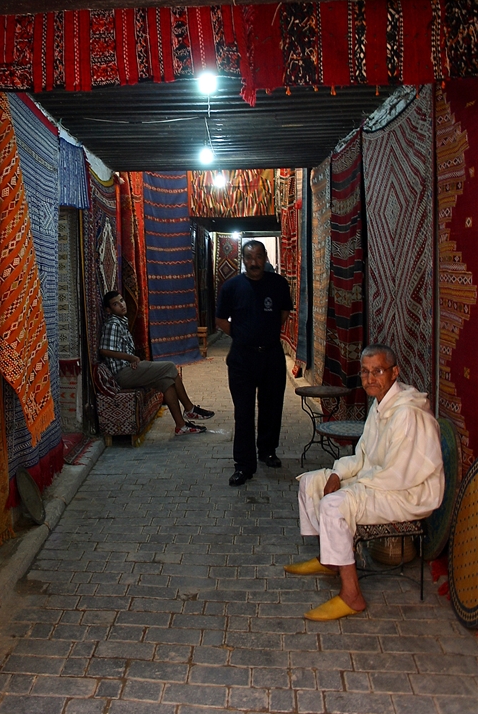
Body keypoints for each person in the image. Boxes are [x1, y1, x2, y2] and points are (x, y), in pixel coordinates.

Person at [285, 344, 444, 621]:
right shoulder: (380, 404)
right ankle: (330, 560)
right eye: (366, 372)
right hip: (381, 483)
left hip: (407, 493)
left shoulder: (406, 413)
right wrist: (337, 473)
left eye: (378, 371)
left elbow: (399, 474)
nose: (370, 378)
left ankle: (352, 596)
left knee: (335, 505)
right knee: (311, 482)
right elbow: (363, 455)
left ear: (394, 372)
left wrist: (353, 487)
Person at [215, 240, 293, 485]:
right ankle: (243, 465)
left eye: (258, 257)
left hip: (271, 356)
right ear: (243, 260)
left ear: (265, 257)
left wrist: (264, 333)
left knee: (271, 408)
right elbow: (220, 320)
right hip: (242, 358)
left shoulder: (278, 284)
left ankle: (268, 451)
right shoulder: (231, 287)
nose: (254, 262)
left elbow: (283, 314)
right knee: (244, 412)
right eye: (249, 257)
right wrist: (242, 336)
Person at [99, 291, 214, 436]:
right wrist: (131, 358)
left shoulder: (121, 322)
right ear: (109, 310)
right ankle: (190, 409)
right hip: (122, 373)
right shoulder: (113, 324)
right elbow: (104, 350)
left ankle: (181, 426)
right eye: (116, 304)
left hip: (129, 368)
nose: (122, 305)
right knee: (170, 367)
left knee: (167, 382)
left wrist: (131, 359)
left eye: (122, 301)